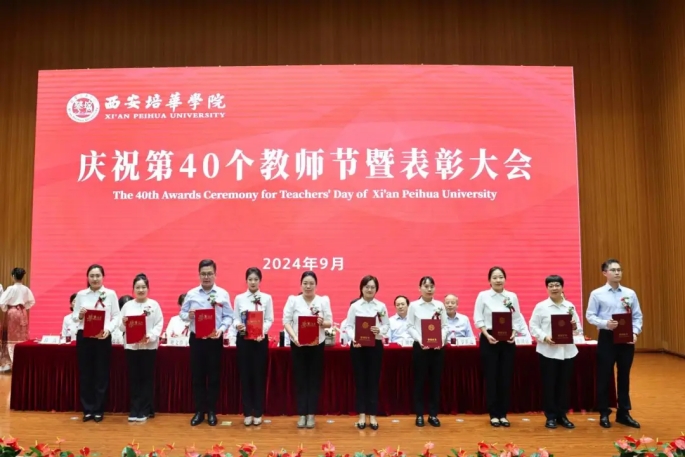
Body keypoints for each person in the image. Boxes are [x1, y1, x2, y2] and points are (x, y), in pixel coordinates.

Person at [586, 258, 642, 429]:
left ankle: (624, 413)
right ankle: (604, 412)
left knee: (624, 375)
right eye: (613, 270)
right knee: (604, 376)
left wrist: (635, 332)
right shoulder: (597, 294)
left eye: (619, 270)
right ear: (605, 273)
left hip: (626, 338)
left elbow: (637, 316)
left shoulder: (630, 293)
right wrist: (605, 323)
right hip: (607, 337)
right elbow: (590, 315)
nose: (617, 272)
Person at [180, 259, 233, 427]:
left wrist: (221, 329)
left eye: (210, 273)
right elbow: (182, 314)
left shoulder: (222, 294)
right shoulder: (191, 294)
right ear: (199, 275)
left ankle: (211, 411)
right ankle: (199, 411)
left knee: (214, 377)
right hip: (197, 340)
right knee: (198, 377)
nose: (206, 277)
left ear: (215, 274)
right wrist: (189, 315)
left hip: (214, 340)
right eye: (203, 274)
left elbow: (229, 316)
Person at [473, 266, 527, 428]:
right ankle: (493, 414)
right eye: (495, 277)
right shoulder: (483, 296)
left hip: (507, 340)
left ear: (505, 279)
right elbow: (478, 317)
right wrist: (486, 334)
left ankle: (503, 414)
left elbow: (516, 317)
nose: (498, 280)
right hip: (489, 338)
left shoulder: (512, 296)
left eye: (501, 277)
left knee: (505, 377)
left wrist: (514, 333)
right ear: (489, 280)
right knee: (491, 377)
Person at [529, 275, 582, 429]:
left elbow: (578, 329)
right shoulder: (541, 306)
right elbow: (533, 326)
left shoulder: (569, 306)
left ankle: (562, 415)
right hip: (548, 352)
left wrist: (574, 327)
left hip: (567, 352)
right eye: (551, 285)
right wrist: (545, 337)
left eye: (557, 285)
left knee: (564, 385)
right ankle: (550, 417)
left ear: (562, 287)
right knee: (549, 385)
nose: (554, 288)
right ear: (547, 288)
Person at [282, 271, 333, 429]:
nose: (308, 286)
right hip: (298, 345)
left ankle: (311, 414)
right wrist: (294, 337)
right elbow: (286, 321)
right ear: (301, 285)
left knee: (314, 380)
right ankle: (302, 414)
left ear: (316, 285)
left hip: (317, 345)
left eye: (311, 283)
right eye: (305, 283)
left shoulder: (323, 301)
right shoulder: (293, 300)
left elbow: (330, 322)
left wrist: (322, 322)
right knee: (300, 380)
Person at [72, 264, 120, 422]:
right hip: (84, 337)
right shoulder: (81, 294)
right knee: (86, 373)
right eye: (91, 276)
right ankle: (87, 409)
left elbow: (117, 316)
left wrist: (108, 329)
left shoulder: (110, 294)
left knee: (101, 373)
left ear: (103, 277)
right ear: (87, 278)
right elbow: (74, 318)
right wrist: (80, 315)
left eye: (98, 275)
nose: (95, 279)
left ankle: (99, 409)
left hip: (102, 337)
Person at [343, 275, 390, 430]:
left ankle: (373, 415)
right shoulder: (355, 306)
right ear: (361, 288)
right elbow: (349, 326)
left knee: (373, 381)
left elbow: (386, 325)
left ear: (376, 289)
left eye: (372, 287)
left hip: (375, 346)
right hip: (358, 347)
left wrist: (379, 330)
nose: (370, 289)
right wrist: (354, 338)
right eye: (367, 287)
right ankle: (362, 415)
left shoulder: (381, 306)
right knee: (360, 380)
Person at [119, 273, 164, 422]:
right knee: (134, 379)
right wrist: (123, 322)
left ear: (148, 288)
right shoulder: (127, 306)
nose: (140, 290)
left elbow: (159, 323)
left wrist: (150, 336)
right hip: (131, 347)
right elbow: (120, 327)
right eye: (137, 287)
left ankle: (145, 410)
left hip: (148, 347)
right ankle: (134, 409)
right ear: (133, 289)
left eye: (143, 287)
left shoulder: (154, 305)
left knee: (146, 379)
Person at [233, 267, 274, 426]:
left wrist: (262, 331)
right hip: (244, 340)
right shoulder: (239, 298)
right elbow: (236, 318)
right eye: (250, 279)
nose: (253, 282)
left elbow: (269, 319)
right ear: (246, 281)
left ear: (260, 281)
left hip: (259, 341)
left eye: (256, 279)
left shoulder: (267, 298)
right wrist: (238, 325)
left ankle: (258, 411)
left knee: (258, 375)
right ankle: (247, 412)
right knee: (245, 376)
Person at [407, 276, 448, 427]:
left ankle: (433, 414)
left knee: (435, 382)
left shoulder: (440, 305)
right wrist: (420, 340)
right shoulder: (413, 305)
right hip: (420, 348)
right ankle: (419, 414)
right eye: (426, 286)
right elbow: (410, 326)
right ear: (420, 288)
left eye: (432, 286)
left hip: (437, 349)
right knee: (419, 381)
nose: (429, 289)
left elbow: (445, 326)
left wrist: (440, 341)